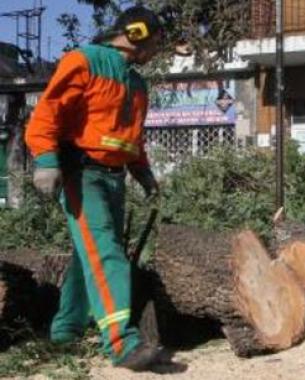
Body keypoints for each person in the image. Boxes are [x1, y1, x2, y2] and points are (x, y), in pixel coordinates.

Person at [25, 6, 166, 371]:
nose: (156, 51)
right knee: (106, 252)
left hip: (114, 178)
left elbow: (131, 137)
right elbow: (47, 113)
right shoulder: (84, 61)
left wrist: (144, 173)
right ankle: (123, 343)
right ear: (135, 33)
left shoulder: (137, 83)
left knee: (89, 253)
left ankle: (65, 329)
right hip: (81, 174)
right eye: (155, 42)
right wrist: (45, 160)